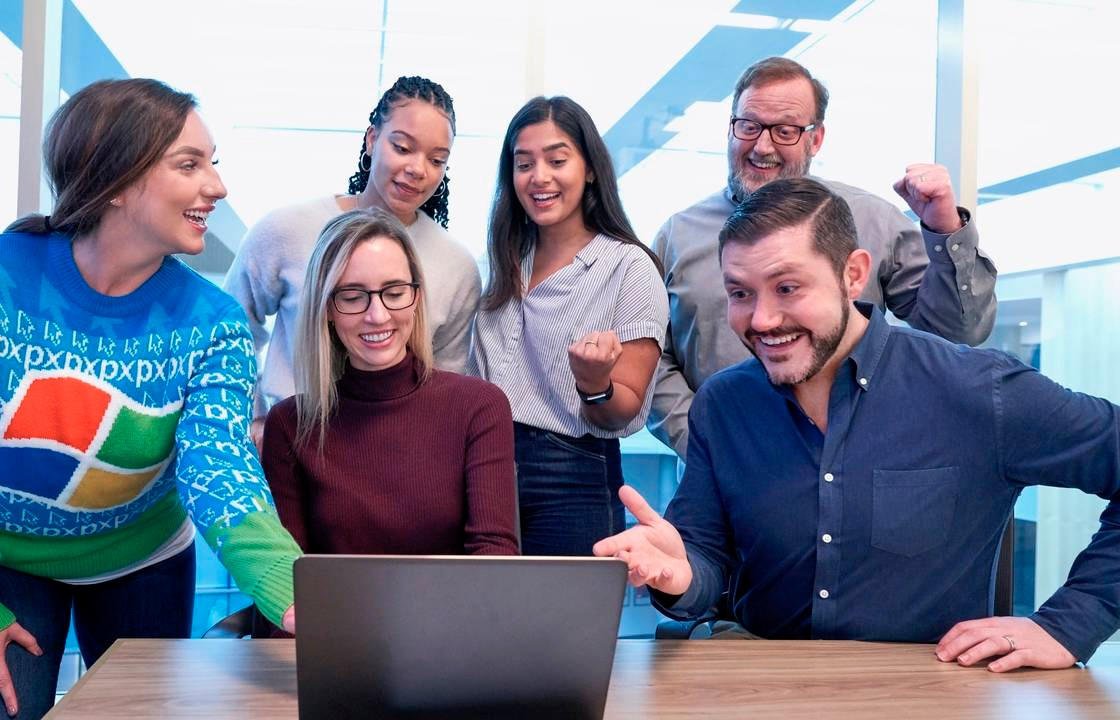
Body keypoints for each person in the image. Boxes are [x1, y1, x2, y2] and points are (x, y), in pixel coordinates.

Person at [0, 79, 301, 720]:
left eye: (213, 163)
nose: (218, 186)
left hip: (142, 556)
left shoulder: (216, 323)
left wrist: (288, 586)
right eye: (189, 165)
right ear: (117, 179)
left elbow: (219, 463)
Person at [595, 178, 1120, 671]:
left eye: (787, 288)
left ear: (852, 274)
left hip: (930, 690)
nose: (761, 320)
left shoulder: (976, 390)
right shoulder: (723, 404)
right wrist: (682, 573)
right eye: (740, 293)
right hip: (763, 683)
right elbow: (705, 559)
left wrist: (1070, 624)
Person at [647, 56, 998, 457]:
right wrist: (703, 440)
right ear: (730, 129)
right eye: (749, 126)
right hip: (720, 477)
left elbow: (958, 332)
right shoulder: (677, 236)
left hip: (856, 468)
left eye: (785, 131)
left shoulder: (873, 222)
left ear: (815, 140)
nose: (762, 146)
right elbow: (650, 358)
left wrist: (945, 229)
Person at [224, 75, 480, 444]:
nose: (418, 169)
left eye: (437, 159)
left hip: (391, 450)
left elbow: (444, 384)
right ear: (372, 139)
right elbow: (230, 330)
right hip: (289, 443)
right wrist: (255, 417)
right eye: (403, 147)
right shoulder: (286, 230)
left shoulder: (457, 266)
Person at [471, 96, 668, 556]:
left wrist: (594, 384)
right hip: (484, 464)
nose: (539, 177)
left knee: (566, 605)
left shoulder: (629, 266)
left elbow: (622, 411)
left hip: (571, 474)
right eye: (524, 164)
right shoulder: (501, 262)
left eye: (557, 161)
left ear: (590, 169)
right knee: (478, 602)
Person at [262, 208, 518, 557]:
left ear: (416, 298)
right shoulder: (290, 425)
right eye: (353, 297)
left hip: (456, 596)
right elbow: (290, 573)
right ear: (327, 309)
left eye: (394, 293)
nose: (377, 316)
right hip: (335, 597)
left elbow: (494, 554)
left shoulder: (478, 406)